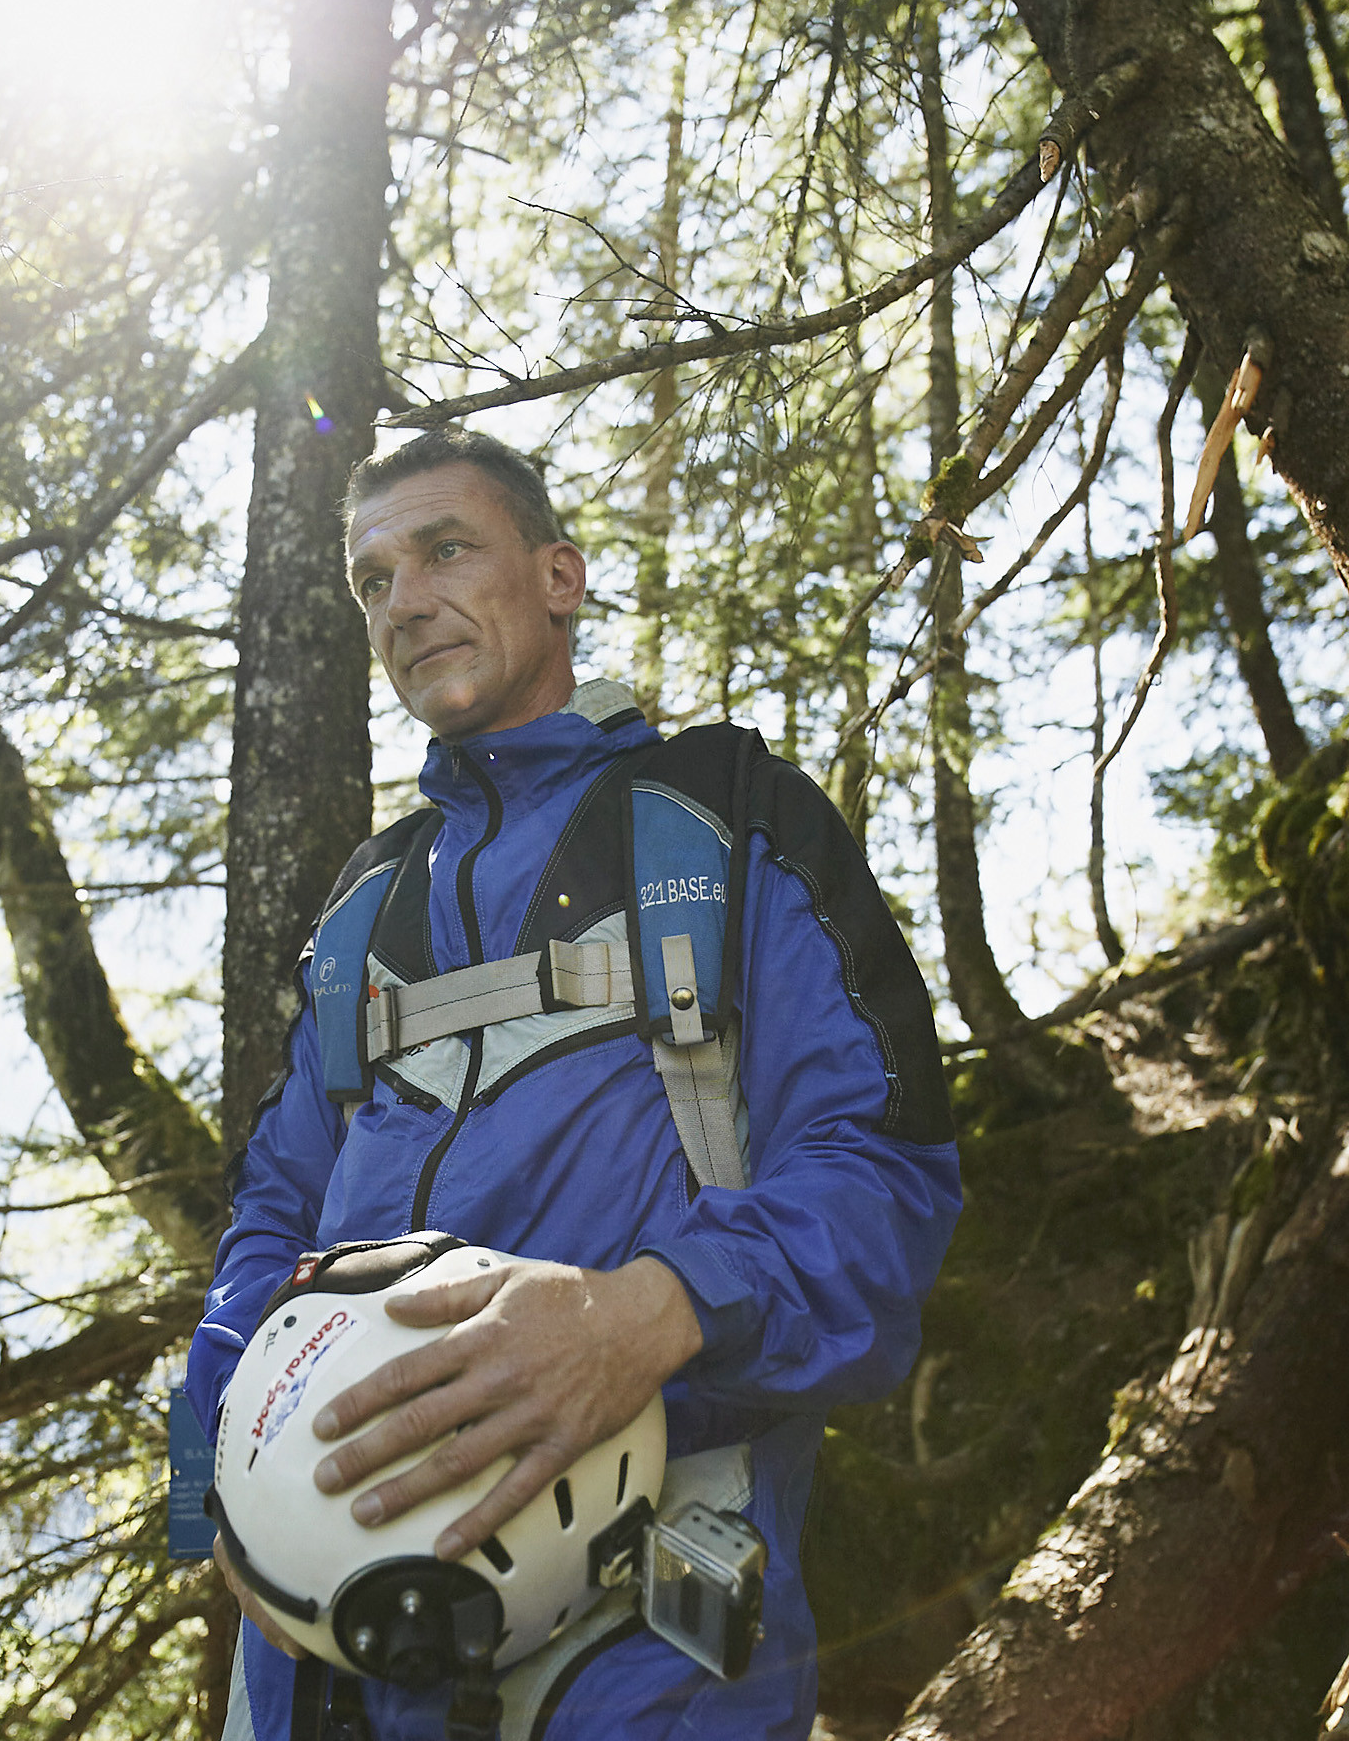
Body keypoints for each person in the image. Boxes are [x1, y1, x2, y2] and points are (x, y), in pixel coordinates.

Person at [187, 427, 960, 1740]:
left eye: (444, 551)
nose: (405, 601)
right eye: (373, 579)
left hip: (646, 1647)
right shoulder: (368, 902)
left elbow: (885, 1168)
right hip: (321, 1655)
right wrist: (216, 1459)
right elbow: (276, 1201)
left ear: (559, 576)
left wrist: (646, 1313)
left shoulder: (723, 812)